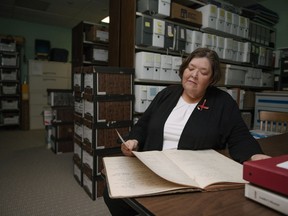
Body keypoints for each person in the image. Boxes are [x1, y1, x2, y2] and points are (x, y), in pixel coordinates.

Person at [103, 47, 270, 216]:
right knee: (113, 197)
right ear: (184, 70)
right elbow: (143, 125)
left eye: (203, 72)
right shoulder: (167, 94)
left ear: (211, 79)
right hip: (154, 167)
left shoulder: (222, 102)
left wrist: (254, 156)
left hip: (191, 177)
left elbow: (239, 136)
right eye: (190, 68)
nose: (194, 75)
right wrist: (134, 141)